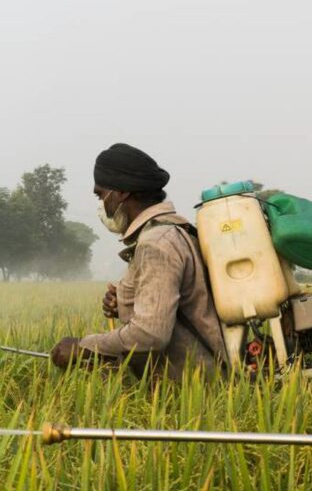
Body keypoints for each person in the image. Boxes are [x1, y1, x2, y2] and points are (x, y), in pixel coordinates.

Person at [50, 144, 226, 381]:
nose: (101, 204)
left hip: (194, 386)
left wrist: (83, 346)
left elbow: (150, 334)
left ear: (121, 193)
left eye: (100, 194)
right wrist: (125, 302)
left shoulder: (156, 243)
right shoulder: (176, 230)